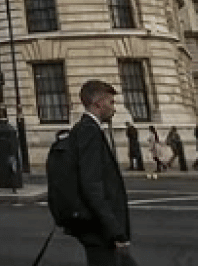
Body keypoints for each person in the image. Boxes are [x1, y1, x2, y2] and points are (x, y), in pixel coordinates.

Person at [67, 80, 136, 266]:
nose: (114, 109)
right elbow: (92, 185)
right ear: (98, 103)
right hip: (99, 229)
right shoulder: (89, 132)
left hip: (97, 227)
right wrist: (115, 230)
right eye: (111, 102)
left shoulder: (85, 129)